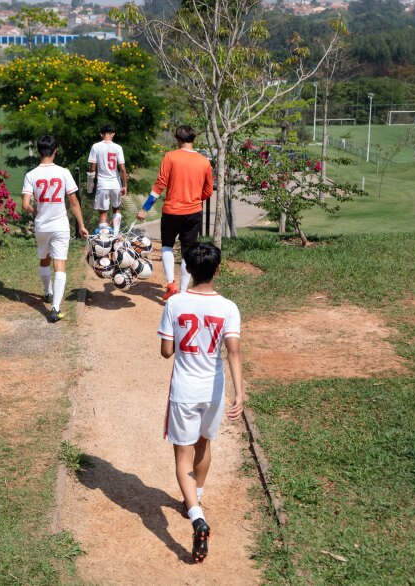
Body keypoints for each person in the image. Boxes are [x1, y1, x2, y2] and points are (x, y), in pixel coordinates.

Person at [157, 243, 244, 563]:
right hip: (214, 390)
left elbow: (167, 352)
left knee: (182, 455)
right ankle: (197, 497)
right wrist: (240, 393)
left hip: (184, 391)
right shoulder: (229, 307)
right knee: (204, 445)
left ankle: (196, 516)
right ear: (218, 269)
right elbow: (233, 351)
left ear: (188, 270)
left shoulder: (175, 303)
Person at [136, 125, 213, 301]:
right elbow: (208, 191)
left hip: (172, 211)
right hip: (194, 211)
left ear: (178, 139)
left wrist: (145, 208)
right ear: (194, 139)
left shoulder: (170, 157)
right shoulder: (204, 161)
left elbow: (159, 184)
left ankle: (171, 284)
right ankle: (184, 292)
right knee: (188, 251)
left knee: (167, 246)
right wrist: (194, 197)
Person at [22, 135, 89, 323]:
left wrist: (36, 210)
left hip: (42, 225)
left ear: (38, 151)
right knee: (60, 264)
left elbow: (25, 204)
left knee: (44, 260)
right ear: (55, 151)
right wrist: (82, 225)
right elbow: (74, 201)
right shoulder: (64, 172)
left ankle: (47, 291)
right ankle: (55, 309)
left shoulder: (31, 175)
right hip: (60, 225)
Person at [87, 124, 128, 235]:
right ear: (113, 134)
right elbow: (122, 169)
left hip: (102, 183)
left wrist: (90, 183)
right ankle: (115, 234)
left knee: (103, 212)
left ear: (101, 134)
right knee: (116, 208)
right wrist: (125, 186)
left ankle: (103, 239)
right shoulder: (118, 147)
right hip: (116, 183)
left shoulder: (96, 147)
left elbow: (92, 168)